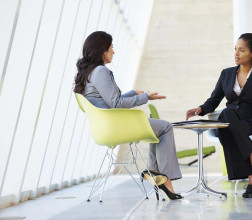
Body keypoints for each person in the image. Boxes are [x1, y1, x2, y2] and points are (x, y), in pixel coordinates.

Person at [73, 31, 182, 200]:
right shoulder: (101, 71)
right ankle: (164, 180)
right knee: (165, 127)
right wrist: (144, 97)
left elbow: (110, 101)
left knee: (158, 130)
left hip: (108, 126)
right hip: (116, 126)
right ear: (102, 50)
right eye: (111, 48)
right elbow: (116, 104)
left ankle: (155, 173)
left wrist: (135, 94)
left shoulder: (88, 73)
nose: (114, 52)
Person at [186, 33, 252, 198]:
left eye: (241, 50)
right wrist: (199, 109)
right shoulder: (226, 74)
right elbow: (213, 100)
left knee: (227, 125)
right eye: (235, 49)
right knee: (227, 115)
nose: (236, 54)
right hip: (228, 121)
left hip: (249, 122)